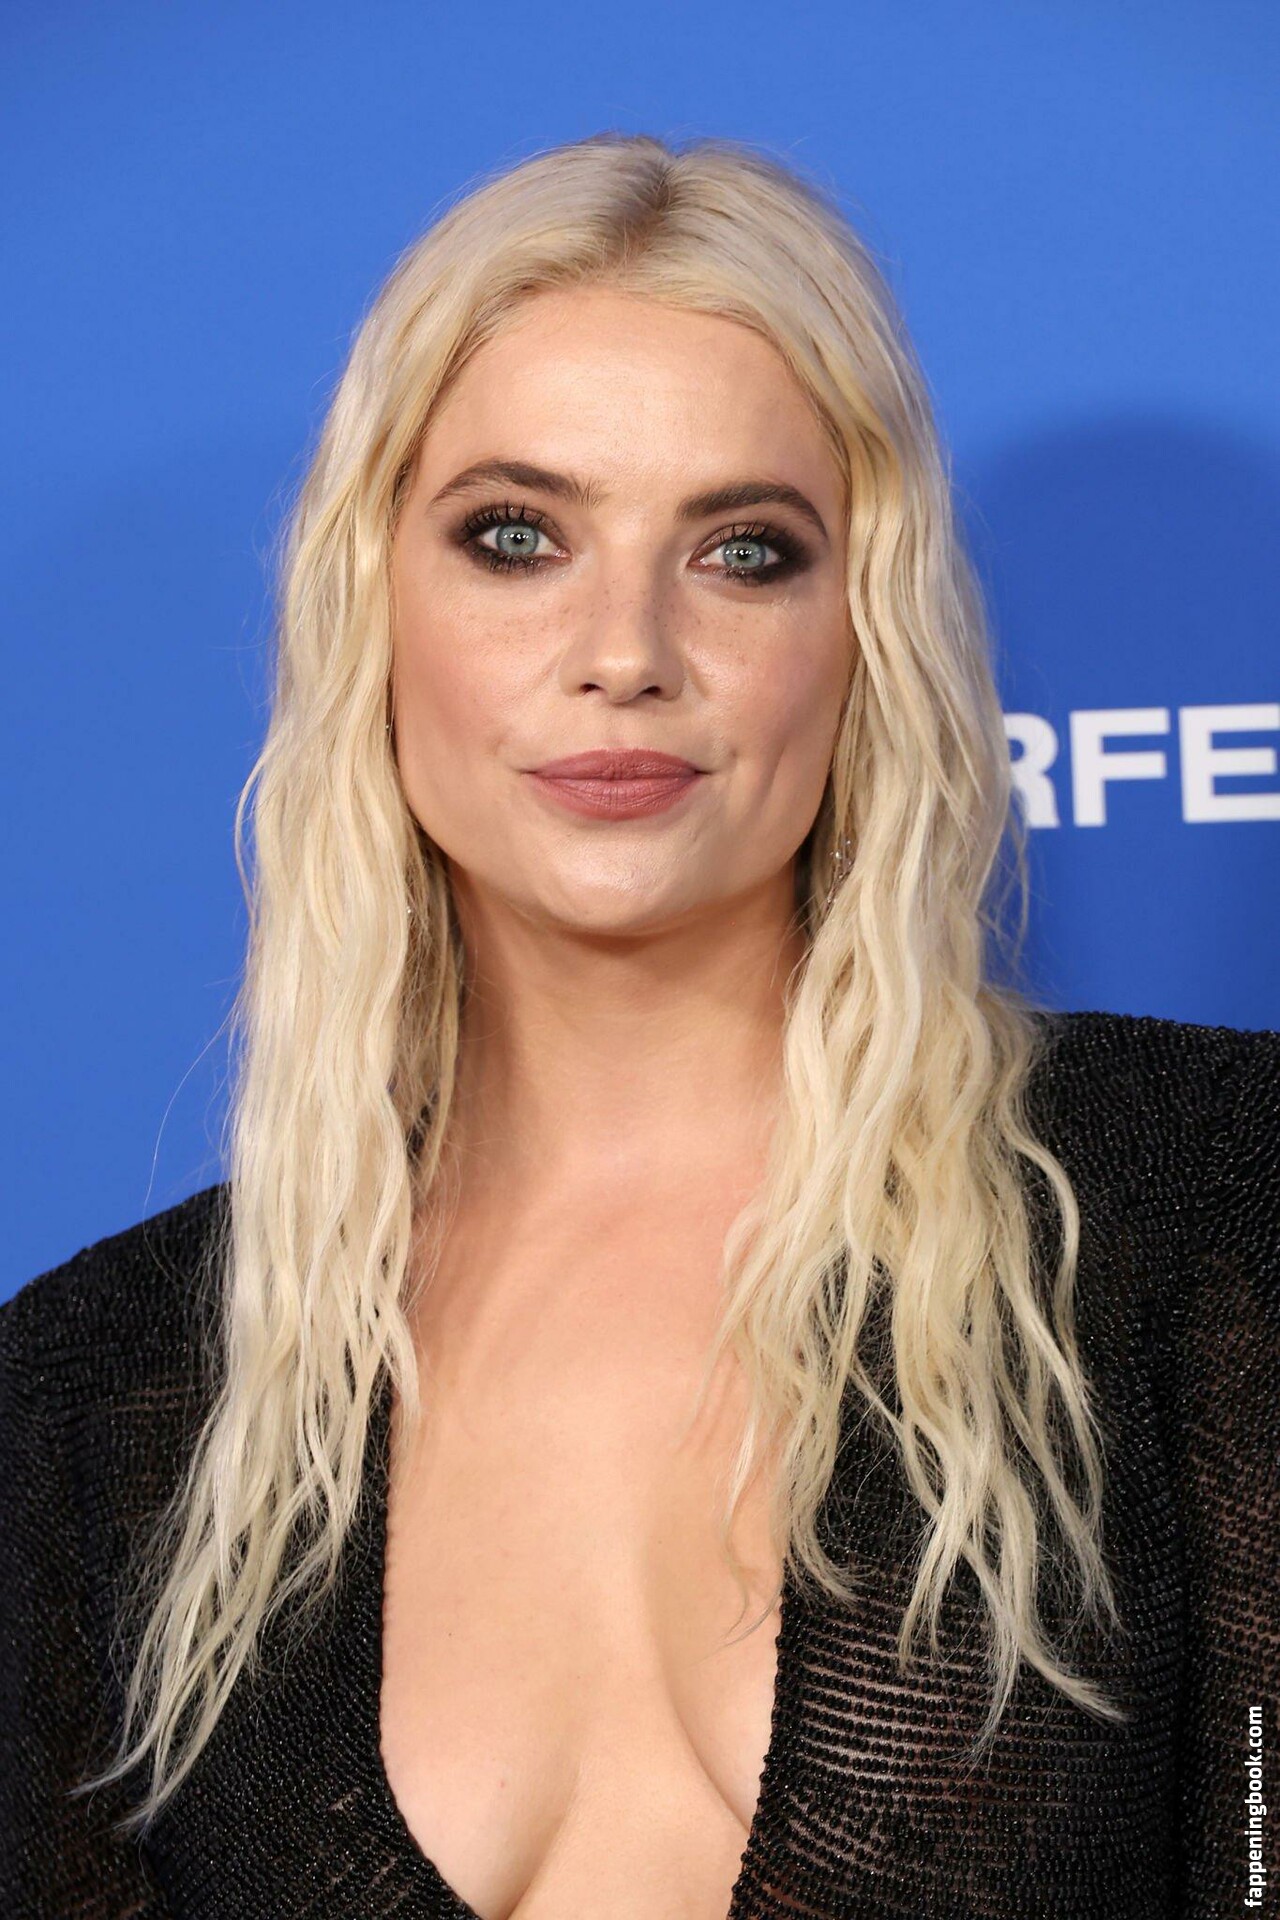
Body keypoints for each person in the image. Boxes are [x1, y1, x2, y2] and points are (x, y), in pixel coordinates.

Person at [2, 129, 1276, 1920]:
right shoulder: (98, 1398)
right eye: (515, 538)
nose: (625, 650)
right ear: (374, 608)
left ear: (864, 631)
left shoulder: (1204, 1199)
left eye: (745, 552)